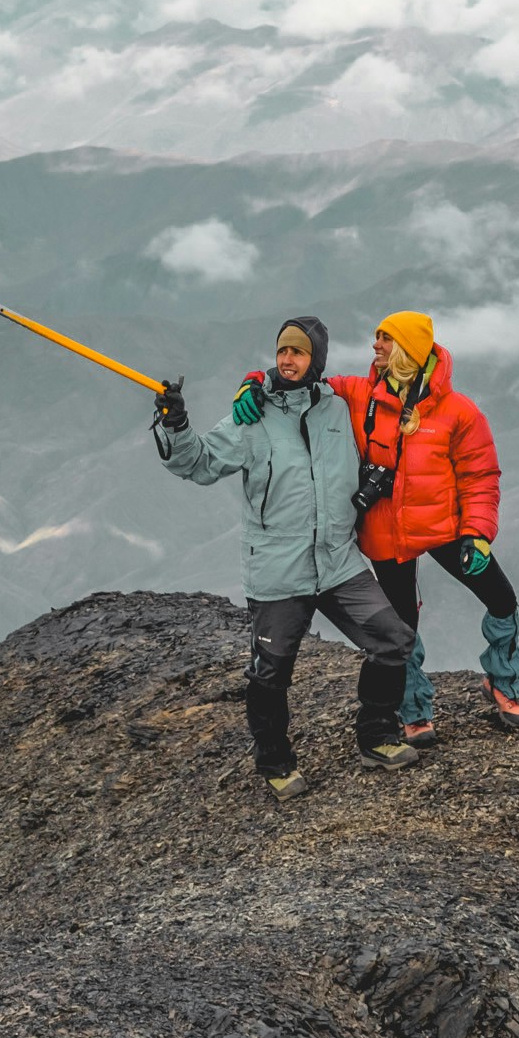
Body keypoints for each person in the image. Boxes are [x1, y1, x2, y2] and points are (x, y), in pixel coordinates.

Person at [152, 315, 423, 796]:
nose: (287, 360)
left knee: (394, 640)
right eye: (282, 352)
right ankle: (275, 762)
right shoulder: (251, 414)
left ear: (315, 360)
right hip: (278, 570)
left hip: (337, 563)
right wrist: (176, 423)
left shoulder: (338, 409)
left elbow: (393, 404)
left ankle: (376, 736)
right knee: (271, 671)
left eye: (298, 352)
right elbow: (197, 462)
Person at [331, 310, 519, 737]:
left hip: (445, 527)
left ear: (408, 350)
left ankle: (503, 679)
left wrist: (477, 534)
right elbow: (303, 383)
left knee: (501, 599)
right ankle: (414, 708)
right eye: (377, 337)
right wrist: (260, 379)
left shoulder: (459, 412)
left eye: (385, 338)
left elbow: (480, 476)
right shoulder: (360, 393)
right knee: (402, 628)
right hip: (386, 531)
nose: (375, 345)